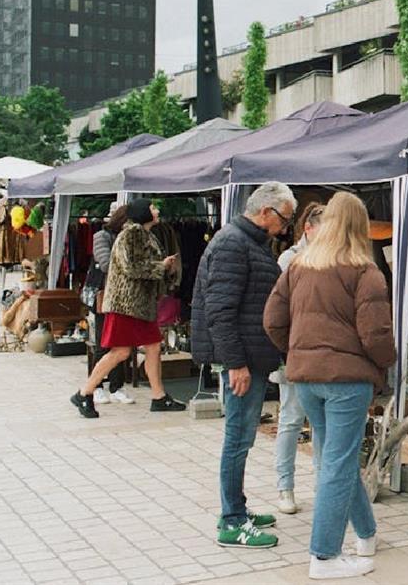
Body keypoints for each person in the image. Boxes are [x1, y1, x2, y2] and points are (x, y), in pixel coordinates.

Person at [264, 191, 394, 580]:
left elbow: (272, 320)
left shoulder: (299, 266)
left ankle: (367, 536)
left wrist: (298, 352)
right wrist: (387, 365)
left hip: (306, 378)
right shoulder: (364, 271)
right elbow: (376, 334)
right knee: (337, 464)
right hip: (346, 380)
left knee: (338, 460)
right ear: (360, 225)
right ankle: (324, 556)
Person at [192, 182, 297, 550]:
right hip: (243, 361)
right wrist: (235, 363)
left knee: (242, 438)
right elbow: (219, 311)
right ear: (266, 211)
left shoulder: (245, 242)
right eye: (284, 219)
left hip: (250, 357)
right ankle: (232, 521)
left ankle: (236, 509)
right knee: (237, 439)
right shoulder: (233, 243)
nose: (284, 228)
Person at [71, 198, 183, 418]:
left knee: (153, 347)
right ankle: (85, 392)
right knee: (121, 352)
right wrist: (161, 266)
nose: (156, 210)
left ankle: (158, 396)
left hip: (139, 305)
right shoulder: (131, 234)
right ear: (143, 212)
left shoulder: (144, 234)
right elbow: (131, 267)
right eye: (152, 207)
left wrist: (164, 268)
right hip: (126, 304)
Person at [272, 201, 324, 515]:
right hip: (294, 349)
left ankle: (322, 485)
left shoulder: (332, 258)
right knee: (291, 419)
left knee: (320, 423)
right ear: (309, 228)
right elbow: (280, 309)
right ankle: (285, 486)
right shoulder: (289, 259)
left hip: (321, 352)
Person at [89, 203, 134, 406]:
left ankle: (117, 387)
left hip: (122, 297)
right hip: (104, 295)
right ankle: (96, 387)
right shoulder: (102, 236)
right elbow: (106, 263)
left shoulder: (127, 237)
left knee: (120, 343)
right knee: (102, 342)